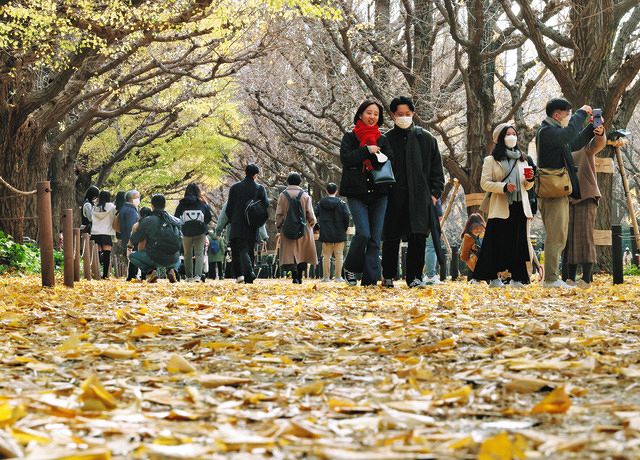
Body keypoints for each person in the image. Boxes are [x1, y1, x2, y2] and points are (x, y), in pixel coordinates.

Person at [381, 96, 445, 288]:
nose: (404, 117)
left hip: (420, 197)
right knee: (391, 237)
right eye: (400, 114)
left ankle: (415, 277)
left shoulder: (426, 138)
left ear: (413, 114)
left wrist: (434, 194)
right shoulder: (385, 140)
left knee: (418, 236)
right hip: (393, 197)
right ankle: (388, 276)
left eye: (408, 114)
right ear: (392, 115)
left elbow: (437, 171)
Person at [537, 98, 592, 288]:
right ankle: (551, 279)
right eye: (567, 113)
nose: (569, 117)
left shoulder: (555, 133)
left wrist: (592, 129)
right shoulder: (547, 132)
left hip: (559, 190)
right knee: (555, 235)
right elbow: (568, 135)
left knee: (559, 235)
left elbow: (573, 142)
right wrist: (582, 112)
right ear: (557, 114)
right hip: (552, 192)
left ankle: (552, 277)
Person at [472, 124, 534, 288]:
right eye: (508, 134)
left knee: (518, 243)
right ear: (500, 138)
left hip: (520, 206)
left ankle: (517, 278)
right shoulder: (491, 160)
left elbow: (527, 186)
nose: (512, 136)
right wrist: (504, 187)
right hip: (501, 207)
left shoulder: (523, 159)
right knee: (496, 242)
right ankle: (493, 277)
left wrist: (530, 180)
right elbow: (485, 183)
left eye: (514, 133)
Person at [339, 100, 393, 286]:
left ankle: (370, 281)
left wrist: (377, 155)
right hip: (356, 193)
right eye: (369, 113)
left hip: (379, 194)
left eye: (376, 114)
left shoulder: (383, 139)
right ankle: (350, 268)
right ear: (360, 114)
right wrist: (366, 151)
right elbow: (346, 159)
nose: (372, 117)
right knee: (363, 233)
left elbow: (388, 162)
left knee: (375, 239)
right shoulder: (350, 137)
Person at [562, 121, 606, 288]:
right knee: (570, 239)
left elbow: (599, 143)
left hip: (586, 195)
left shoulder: (585, 147)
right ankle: (570, 278)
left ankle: (586, 278)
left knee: (585, 237)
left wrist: (600, 132)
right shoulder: (563, 148)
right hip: (567, 197)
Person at [226, 164, 268, 284]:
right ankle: (249, 276)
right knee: (249, 249)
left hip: (237, 223)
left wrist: (231, 219)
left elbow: (229, 207)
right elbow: (265, 207)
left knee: (239, 249)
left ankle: (241, 275)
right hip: (252, 223)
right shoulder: (260, 189)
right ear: (255, 175)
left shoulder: (234, 188)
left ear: (245, 172)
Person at [276, 173, 318, 284]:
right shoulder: (305, 195)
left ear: (288, 182)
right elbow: (310, 214)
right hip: (303, 228)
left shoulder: (282, 195)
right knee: (302, 253)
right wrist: (311, 224)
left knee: (291, 253)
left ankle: (294, 275)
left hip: (288, 228)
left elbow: (279, 214)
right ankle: (300, 276)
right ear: (300, 182)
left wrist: (279, 226)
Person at [129, 194, 181, 283]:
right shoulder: (175, 220)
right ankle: (172, 270)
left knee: (132, 256)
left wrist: (130, 245)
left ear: (152, 206)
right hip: (173, 258)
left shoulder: (148, 220)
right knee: (178, 257)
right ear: (165, 205)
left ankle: (151, 271)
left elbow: (135, 239)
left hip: (153, 257)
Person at [175, 183, 212, 282]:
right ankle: (198, 276)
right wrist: (203, 224)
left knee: (187, 254)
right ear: (198, 192)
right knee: (199, 254)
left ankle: (189, 276)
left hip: (186, 232)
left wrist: (182, 226)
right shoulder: (202, 203)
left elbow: (176, 216)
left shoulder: (182, 203)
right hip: (200, 232)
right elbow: (209, 217)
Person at [315, 182, 350, 282]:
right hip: (339, 232)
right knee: (339, 255)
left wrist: (317, 226)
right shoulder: (342, 204)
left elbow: (314, 214)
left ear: (326, 191)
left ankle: (326, 277)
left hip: (326, 233)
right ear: (336, 191)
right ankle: (338, 277)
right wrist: (345, 228)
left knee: (326, 256)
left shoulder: (321, 203)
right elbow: (346, 216)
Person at [90, 190, 117, 279]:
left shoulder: (94, 208)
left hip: (95, 233)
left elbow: (90, 219)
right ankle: (105, 275)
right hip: (106, 232)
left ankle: (95, 273)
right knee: (107, 255)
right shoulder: (112, 207)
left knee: (96, 254)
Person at [119, 190, 141, 281]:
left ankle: (132, 275)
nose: (138, 199)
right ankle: (132, 275)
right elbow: (132, 226)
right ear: (132, 199)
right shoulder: (131, 210)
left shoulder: (124, 208)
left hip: (125, 236)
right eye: (137, 197)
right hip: (130, 237)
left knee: (131, 256)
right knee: (134, 256)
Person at [127, 206, 151, 281]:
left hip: (137, 245)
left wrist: (129, 245)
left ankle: (131, 276)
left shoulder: (136, 225)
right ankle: (144, 276)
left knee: (134, 260)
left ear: (140, 214)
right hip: (148, 246)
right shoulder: (152, 224)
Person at [423, 199, 444, 284]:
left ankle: (416, 276)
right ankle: (430, 276)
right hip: (429, 213)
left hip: (416, 214)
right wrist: (439, 212)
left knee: (419, 245)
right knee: (431, 246)